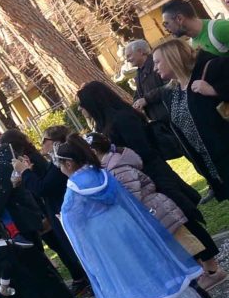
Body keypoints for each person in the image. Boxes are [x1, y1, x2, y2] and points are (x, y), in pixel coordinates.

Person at [55, 134, 209, 298]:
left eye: (60, 164)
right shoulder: (101, 173)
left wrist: (62, 219)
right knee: (147, 264)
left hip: (105, 235)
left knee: (128, 275)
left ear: (69, 163)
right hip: (126, 224)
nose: (60, 168)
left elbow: (72, 216)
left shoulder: (74, 186)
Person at [86, 131, 224, 288]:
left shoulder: (117, 168)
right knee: (181, 244)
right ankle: (202, 275)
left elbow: (131, 196)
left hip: (155, 210)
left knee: (185, 242)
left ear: (94, 151)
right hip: (154, 209)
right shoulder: (111, 166)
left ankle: (212, 273)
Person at [76, 80, 201, 209]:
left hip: (151, 172)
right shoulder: (104, 124)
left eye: (81, 104)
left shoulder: (122, 119)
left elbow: (142, 150)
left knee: (178, 208)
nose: (79, 109)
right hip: (137, 175)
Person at [4, 130, 90, 289]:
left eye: (45, 140)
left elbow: (42, 187)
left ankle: (83, 278)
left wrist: (25, 172)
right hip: (55, 210)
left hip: (60, 209)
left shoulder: (54, 163)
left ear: (56, 142)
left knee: (71, 248)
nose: (40, 143)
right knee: (66, 247)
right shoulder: (51, 162)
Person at [153, 37, 229, 201]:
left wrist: (215, 91)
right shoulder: (170, 92)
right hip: (214, 163)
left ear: (172, 58)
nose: (154, 68)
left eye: (157, 62)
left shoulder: (212, 69)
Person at [125, 39, 186, 162]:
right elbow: (139, 93)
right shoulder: (139, 73)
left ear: (140, 52)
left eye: (129, 55)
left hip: (176, 117)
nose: (127, 60)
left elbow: (171, 84)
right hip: (164, 123)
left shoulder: (158, 65)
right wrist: (137, 103)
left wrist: (147, 99)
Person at [161, 0, 229, 57]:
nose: (165, 29)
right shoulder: (191, 44)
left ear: (179, 18)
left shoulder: (220, 28)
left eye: (166, 23)